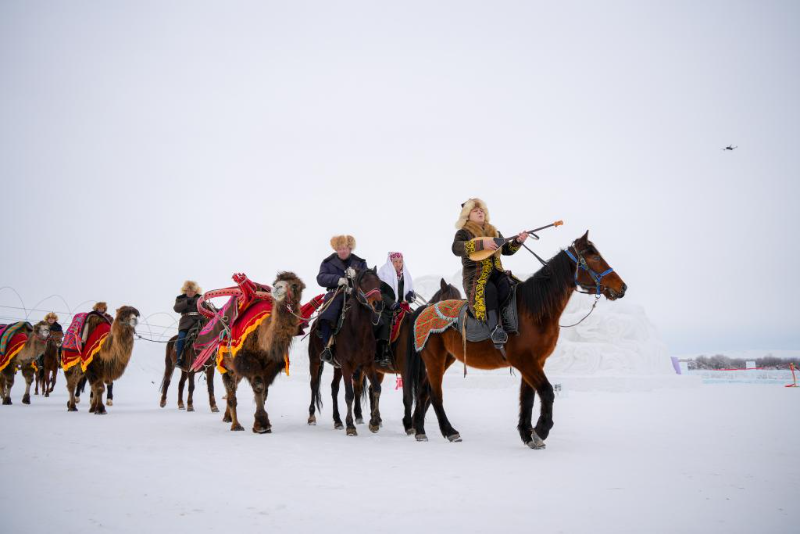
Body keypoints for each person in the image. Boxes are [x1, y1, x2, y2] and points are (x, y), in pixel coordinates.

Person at [451, 198, 528, 348]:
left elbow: (506, 251)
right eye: (475, 210)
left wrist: (518, 242)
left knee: (509, 288)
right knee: (490, 291)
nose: (480, 212)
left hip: (498, 273)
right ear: (467, 215)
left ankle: (510, 323)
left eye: (481, 210)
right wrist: (481, 243)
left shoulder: (494, 232)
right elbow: (456, 248)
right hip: (476, 277)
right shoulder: (464, 233)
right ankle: (495, 329)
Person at [316, 235, 368, 364]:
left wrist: (357, 276)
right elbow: (320, 278)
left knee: (371, 315)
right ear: (336, 249)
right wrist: (337, 279)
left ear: (350, 248)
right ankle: (328, 347)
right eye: (339, 248)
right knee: (326, 315)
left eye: (344, 248)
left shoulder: (360, 262)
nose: (342, 251)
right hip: (335, 294)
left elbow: (367, 278)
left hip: (355, 294)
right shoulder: (327, 262)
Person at [375, 252, 415, 366]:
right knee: (385, 322)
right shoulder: (383, 275)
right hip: (387, 307)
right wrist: (392, 303)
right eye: (395, 262)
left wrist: (410, 296)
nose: (398, 264)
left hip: (403, 306)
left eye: (400, 262)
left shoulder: (405, 275)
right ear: (391, 263)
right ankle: (383, 353)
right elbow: (380, 293)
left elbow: (410, 290)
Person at [173, 280, 203, 369]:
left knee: (210, 334)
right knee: (182, 337)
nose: (190, 292)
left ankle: (213, 357)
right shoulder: (180, 298)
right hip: (185, 323)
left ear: (195, 291)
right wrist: (186, 302)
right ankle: (179, 358)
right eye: (188, 291)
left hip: (199, 322)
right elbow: (176, 308)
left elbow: (207, 307)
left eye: (192, 291)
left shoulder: (200, 298)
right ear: (185, 291)